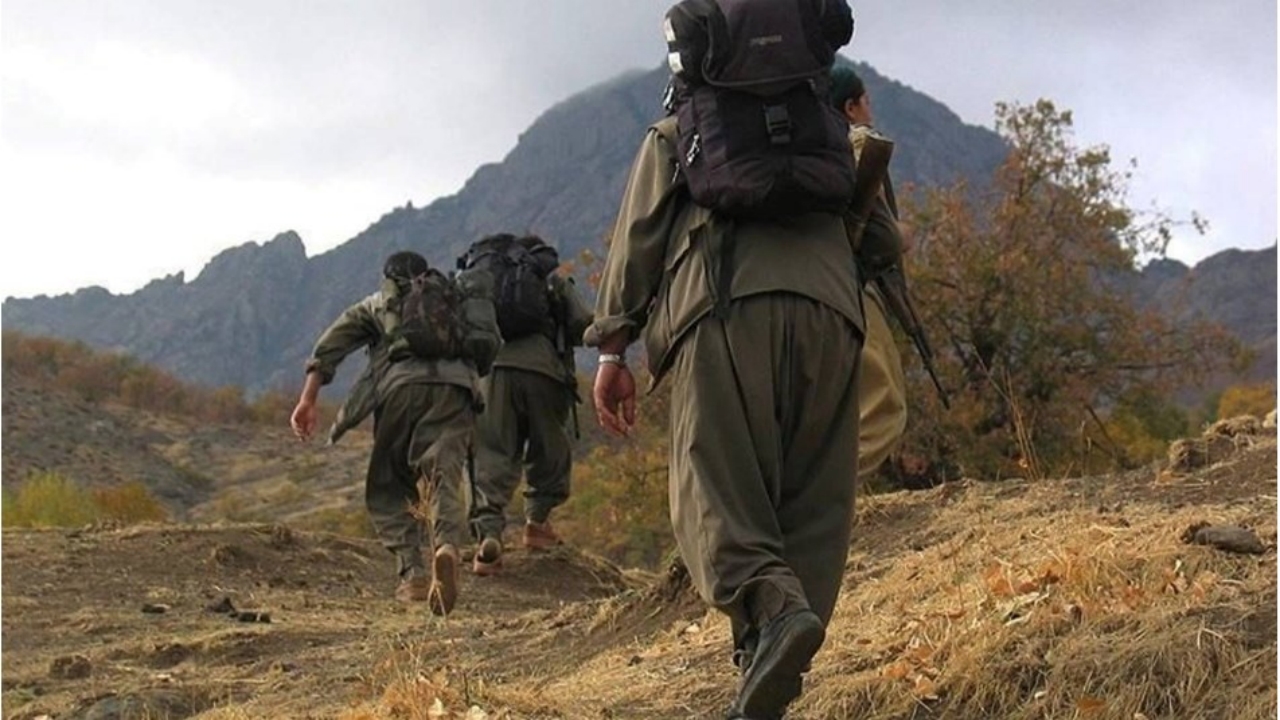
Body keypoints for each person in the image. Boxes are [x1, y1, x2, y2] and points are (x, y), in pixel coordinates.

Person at [587, 57, 865, 720]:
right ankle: (766, 667)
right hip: (833, 316)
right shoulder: (829, 129)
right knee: (812, 501)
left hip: (725, 304)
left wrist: (612, 348)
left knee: (711, 485)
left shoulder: (679, 131)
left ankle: (773, 611)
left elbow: (638, 240)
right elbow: (881, 241)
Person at [289, 251, 491, 616]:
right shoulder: (455, 299)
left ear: (388, 277)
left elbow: (330, 346)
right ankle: (446, 545)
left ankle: (412, 572)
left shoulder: (380, 303)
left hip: (400, 390)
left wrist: (308, 399)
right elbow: (488, 343)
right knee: (443, 473)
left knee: (390, 482)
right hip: (455, 389)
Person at [468, 234, 594, 575]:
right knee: (547, 446)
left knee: (493, 451)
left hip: (492, 373)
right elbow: (582, 323)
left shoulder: (488, 282)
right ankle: (537, 524)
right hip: (543, 370)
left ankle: (488, 537)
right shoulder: (548, 277)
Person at [829, 66, 911, 482]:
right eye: (865, 101)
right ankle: (822, 500)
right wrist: (900, 235)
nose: (869, 110)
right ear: (850, 107)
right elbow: (880, 238)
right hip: (847, 288)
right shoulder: (858, 145)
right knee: (884, 408)